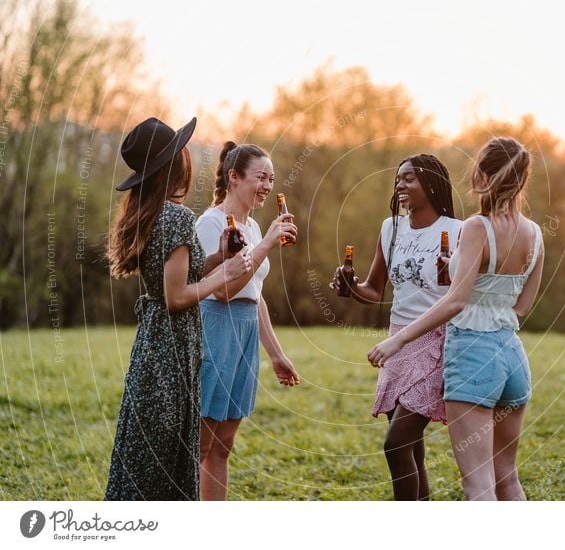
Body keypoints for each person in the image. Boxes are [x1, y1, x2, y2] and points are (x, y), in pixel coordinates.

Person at [367, 137, 545, 501]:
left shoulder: (477, 226)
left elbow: (456, 301)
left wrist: (398, 339)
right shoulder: (535, 233)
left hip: (474, 360)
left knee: (477, 484)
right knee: (507, 476)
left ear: (483, 173)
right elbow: (522, 305)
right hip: (512, 358)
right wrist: (469, 274)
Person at [105, 117, 252, 500]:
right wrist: (228, 274)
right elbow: (177, 297)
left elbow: (174, 280)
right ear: (175, 163)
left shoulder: (151, 211)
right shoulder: (177, 216)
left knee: (150, 442)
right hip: (171, 344)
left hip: (154, 339)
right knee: (167, 449)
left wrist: (219, 256)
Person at [331, 154, 461, 500]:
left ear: (432, 184)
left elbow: (465, 295)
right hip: (398, 342)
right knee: (411, 447)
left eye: (410, 179)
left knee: (396, 443)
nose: (401, 185)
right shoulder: (391, 228)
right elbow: (373, 290)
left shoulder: (457, 231)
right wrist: (350, 287)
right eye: (398, 179)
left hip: (438, 341)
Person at [195, 141, 300, 501]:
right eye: (261, 177)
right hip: (216, 328)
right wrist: (267, 244)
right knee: (201, 443)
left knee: (224, 445)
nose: (268, 187)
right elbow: (223, 291)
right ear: (234, 177)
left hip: (246, 332)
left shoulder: (253, 227)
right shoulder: (210, 224)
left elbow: (254, 295)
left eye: (271, 179)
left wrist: (275, 353)